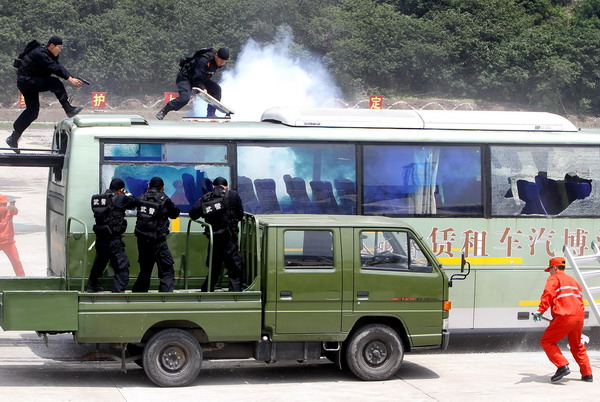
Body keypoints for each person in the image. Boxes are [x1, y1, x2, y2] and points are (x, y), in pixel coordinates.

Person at [7, 36, 84, 154]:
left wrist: (72, 78)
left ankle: (13, 138)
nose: (60, 50)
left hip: (28, 82)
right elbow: (54, 68)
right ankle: (68, 109)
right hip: (26, 81)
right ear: (52, 45)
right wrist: (70, 79)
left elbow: (58, 66)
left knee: (33, 112)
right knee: (55, 83)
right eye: (59, 47)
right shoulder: (40, 53)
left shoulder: (47, 54)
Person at [532, 256, 593, 382]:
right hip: (578, 317)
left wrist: (540, 311)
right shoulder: (574, 281)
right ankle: (587, 374)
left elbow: (548, 294)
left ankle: (562, 366)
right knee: (577, 345)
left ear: (554, 267)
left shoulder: (554, 278)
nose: (549, 272)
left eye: (550, 269)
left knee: (547, 341)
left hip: (565, 316)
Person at [189, 177, 244, 292]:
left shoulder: (206, 197)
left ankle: (207, 291)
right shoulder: (233, 195)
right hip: (229, 238)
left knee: (214, 268)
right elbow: (240, 215)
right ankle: (234, 296)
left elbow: (193, 213)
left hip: (214, 239)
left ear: (213, 186)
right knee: (234, 268)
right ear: (226, 186)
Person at [87, 178, 138, 293]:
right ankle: (117, 293)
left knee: (99, 263)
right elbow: (135, 202)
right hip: (113, 240)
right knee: (122, 268)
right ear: (121, 189)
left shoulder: (98, 198)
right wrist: (127, 194)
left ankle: (92, 286)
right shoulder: (119, 198)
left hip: (100, 238)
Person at [132, 177, 180, 292]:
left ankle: (138, 296)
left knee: (145, 270)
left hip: (142, 240)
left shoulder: (141, 197)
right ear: (162, 187)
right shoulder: (164, 199)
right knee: (166, 269)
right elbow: (174, 214)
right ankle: (165, 297)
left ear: (149, 186)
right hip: (158, 240)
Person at [156, 47, 230, 120]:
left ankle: (211, 114)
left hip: (200, 79)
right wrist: (202, 87)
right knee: (184, 99)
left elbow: (202, 76)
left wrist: (203, 87)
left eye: (224, 62)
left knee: (216, 89)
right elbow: (197, 77)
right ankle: (164, 111)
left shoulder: (218, 62)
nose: (222, 63)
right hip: (185, 78)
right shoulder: (204, 60)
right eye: (221, 61)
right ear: (216, 55)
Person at [0, 196, 25, 276]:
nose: (3, 206)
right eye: (1, 204)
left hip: (8, 243)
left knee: (16, 261)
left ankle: (22, 280)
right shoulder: (6, 210)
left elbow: (15, 211)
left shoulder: (9, 211)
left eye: (5, 204)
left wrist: (13, 206)